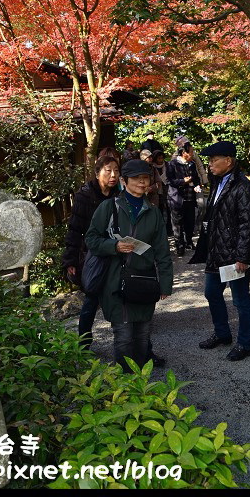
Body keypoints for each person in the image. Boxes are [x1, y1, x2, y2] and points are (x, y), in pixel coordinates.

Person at [85, 159, 173, 372]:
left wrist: (166, 284)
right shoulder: (108, 207)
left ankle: (140, 385)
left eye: (146, 178)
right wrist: (114, 245)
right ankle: (125, 384)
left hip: (144, 280)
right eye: (137, 179)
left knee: (143, 334)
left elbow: (162, 251)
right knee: (123, 335)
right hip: (116, 281)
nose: (143, 183)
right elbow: (91, 239)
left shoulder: (153, 212)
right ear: (123, 181)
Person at [189, 141, 250, 361]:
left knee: (240, 299)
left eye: (213, 160)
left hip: (234, 256)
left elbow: (248, 225)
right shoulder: (218, 181)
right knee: (211, 293)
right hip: (216, 252)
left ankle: (244, 343)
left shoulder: (244, 187)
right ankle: (222, 334)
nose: (210, 164)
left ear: (228, 161)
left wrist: (243, 257)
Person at [61, 155, 121, 348]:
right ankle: (84, 345)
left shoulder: (118, 196)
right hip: (91, 256)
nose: (113, 175)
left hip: (114, 252)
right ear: (97, 173)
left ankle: (125, 343)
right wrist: (70, 260)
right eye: (108, 170)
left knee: (118, 297)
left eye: (116, 171)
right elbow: (75, 229)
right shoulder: (84, 195)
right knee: (91, 299)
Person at [166, 142, 201, 255]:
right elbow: (170, 180)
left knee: (190, 221)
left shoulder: (192, 164)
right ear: (183, 152)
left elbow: (196, 179)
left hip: (190, 198)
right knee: (177, 223)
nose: (192, 154)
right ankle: (179, 246)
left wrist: (197, 185)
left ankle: (189, 242)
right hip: (177, 199)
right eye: (191, 151)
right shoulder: (172, 164)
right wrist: (183, 181)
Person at [151, 149, 172, 235]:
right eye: (159, 158)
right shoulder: (152, 167)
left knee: (168, 209)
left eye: (162, 158)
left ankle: (169, 228)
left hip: (167, 189)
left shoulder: (167, 165)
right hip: (157, 191)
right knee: (160, 209)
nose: (160, 160)